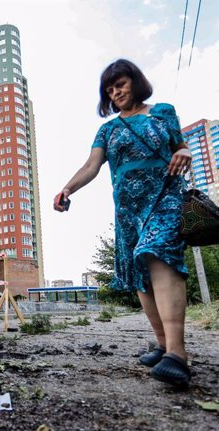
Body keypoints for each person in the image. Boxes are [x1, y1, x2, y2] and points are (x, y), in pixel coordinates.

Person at [54, 59, 193, 388]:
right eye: (110, 89)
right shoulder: (108, 129)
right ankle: (162, 345)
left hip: (165, 196)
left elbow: (181, 146)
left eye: (121, 84)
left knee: (158, 253)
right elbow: (92, 164)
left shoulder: (163, 112)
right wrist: (67, 188)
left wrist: (186, 151)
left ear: (135, 82)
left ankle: (178, 355)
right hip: (128, 209)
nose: (115, 92)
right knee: (139, 273)